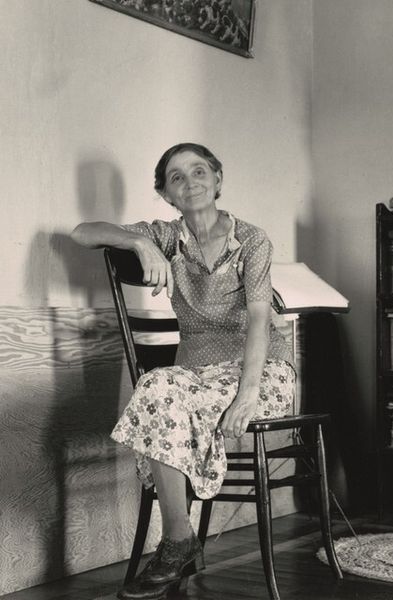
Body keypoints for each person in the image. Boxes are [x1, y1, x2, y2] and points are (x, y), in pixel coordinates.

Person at [71, 143, 295, 600]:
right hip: (195, 376)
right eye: (177, 177)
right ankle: (179, 537)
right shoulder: (167, 237)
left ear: (217, 179)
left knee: (161, 391)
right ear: (165, 193)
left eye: (199, 171)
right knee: (158, 386)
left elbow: (259, 318)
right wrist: (138, 242)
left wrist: (248, 393)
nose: (190, 182)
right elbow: (83, 232)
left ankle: (175, 546)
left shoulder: (252, 240)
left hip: (261, 371)